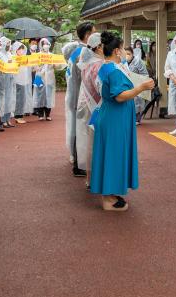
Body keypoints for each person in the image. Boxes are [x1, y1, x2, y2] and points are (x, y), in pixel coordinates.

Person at [90, 32, 156, 211]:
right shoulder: (113, 70)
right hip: (115, 118)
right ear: (117, 50)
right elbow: (119, 96)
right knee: (113, 155)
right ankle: (108, 199)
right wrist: (141, 87)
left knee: (110, 154)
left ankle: (109, 194)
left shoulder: (107, 67)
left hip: (111, 117)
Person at [65, 22, 95, 176]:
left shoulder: (73, 50)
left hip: (74, 95)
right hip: (80, 96)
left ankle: (77, 160)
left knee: (76, 128)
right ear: (88, 35)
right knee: (81, 131)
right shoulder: (84, 51)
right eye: (94, 33)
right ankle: (79, 164)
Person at [75, 33, 104, 181]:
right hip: (97, 108)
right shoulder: (99, 65)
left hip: (87, 106)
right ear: (98, 47)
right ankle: (94, 178)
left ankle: (89, 176)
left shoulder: (87, 63)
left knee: (89, 142)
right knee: (96, 143)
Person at [32, 38, 56, 120]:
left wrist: (53, 64)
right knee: (39, 95)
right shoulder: (37, 55)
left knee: (49, 95)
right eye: (44, 44)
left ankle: (48, 114)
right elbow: (33, 67)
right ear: (41, 46)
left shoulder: (51, 55)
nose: (45, 45)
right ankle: (40, 114)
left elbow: (57, 66)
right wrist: (39, 66)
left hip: (49, 77)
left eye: (47, 43)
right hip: (39, 77)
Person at [124, 46, 149, 124]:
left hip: (137, 85)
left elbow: (145, 74)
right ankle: (131, 118)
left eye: (129, 54)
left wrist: (137, 80)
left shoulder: (138, 62)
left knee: (137, 103)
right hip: (126, 86)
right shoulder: (122, 62)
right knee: (128, 102)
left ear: (132, 54)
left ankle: (137, 119)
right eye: (125, 54)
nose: (127, 55)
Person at [11, 41, 33, 124]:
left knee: (22, 98)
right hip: (16, 81)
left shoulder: (24, 58)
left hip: (23, 81)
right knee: (18, 99)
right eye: (19, 49)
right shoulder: (13, 58)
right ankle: (17, 116)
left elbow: (29, 68)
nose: (21, 51)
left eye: (22, 49)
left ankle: (19, 114)